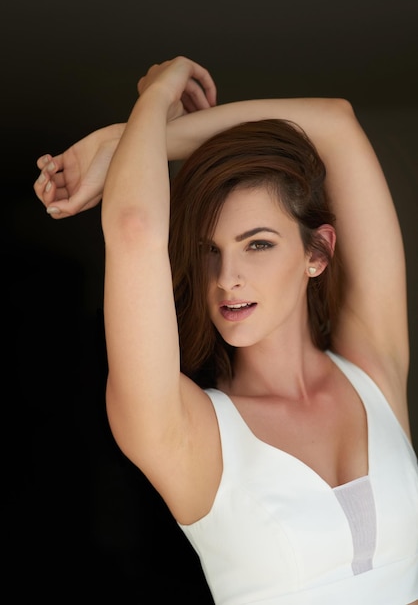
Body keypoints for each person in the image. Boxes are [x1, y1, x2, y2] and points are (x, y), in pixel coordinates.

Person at [34, 56, 418, 604]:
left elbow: (335, 122)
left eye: (257, 244)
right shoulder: (186, 434)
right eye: (208, 251)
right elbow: (135, 225)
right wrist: (157, 98)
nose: (227, 278)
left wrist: (130, 141)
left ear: (318, 252)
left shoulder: (373, 369)